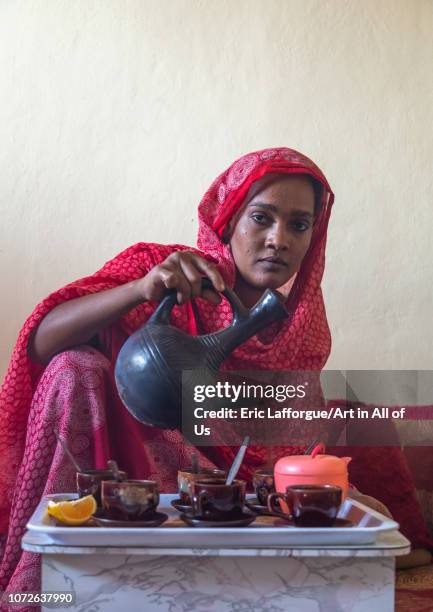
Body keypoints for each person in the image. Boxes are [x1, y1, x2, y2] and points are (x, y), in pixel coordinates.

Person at [0, 147, 430, 598]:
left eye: (299, 225)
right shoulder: (164, 270)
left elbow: (273, 443)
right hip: (129, 470)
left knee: (354, 423)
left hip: (229, 486)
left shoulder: (302, 328)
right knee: (75, 367)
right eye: (261, 218)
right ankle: (53, 578)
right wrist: (139, 289)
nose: (278, 239)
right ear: (228, 221)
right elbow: (40, 342)